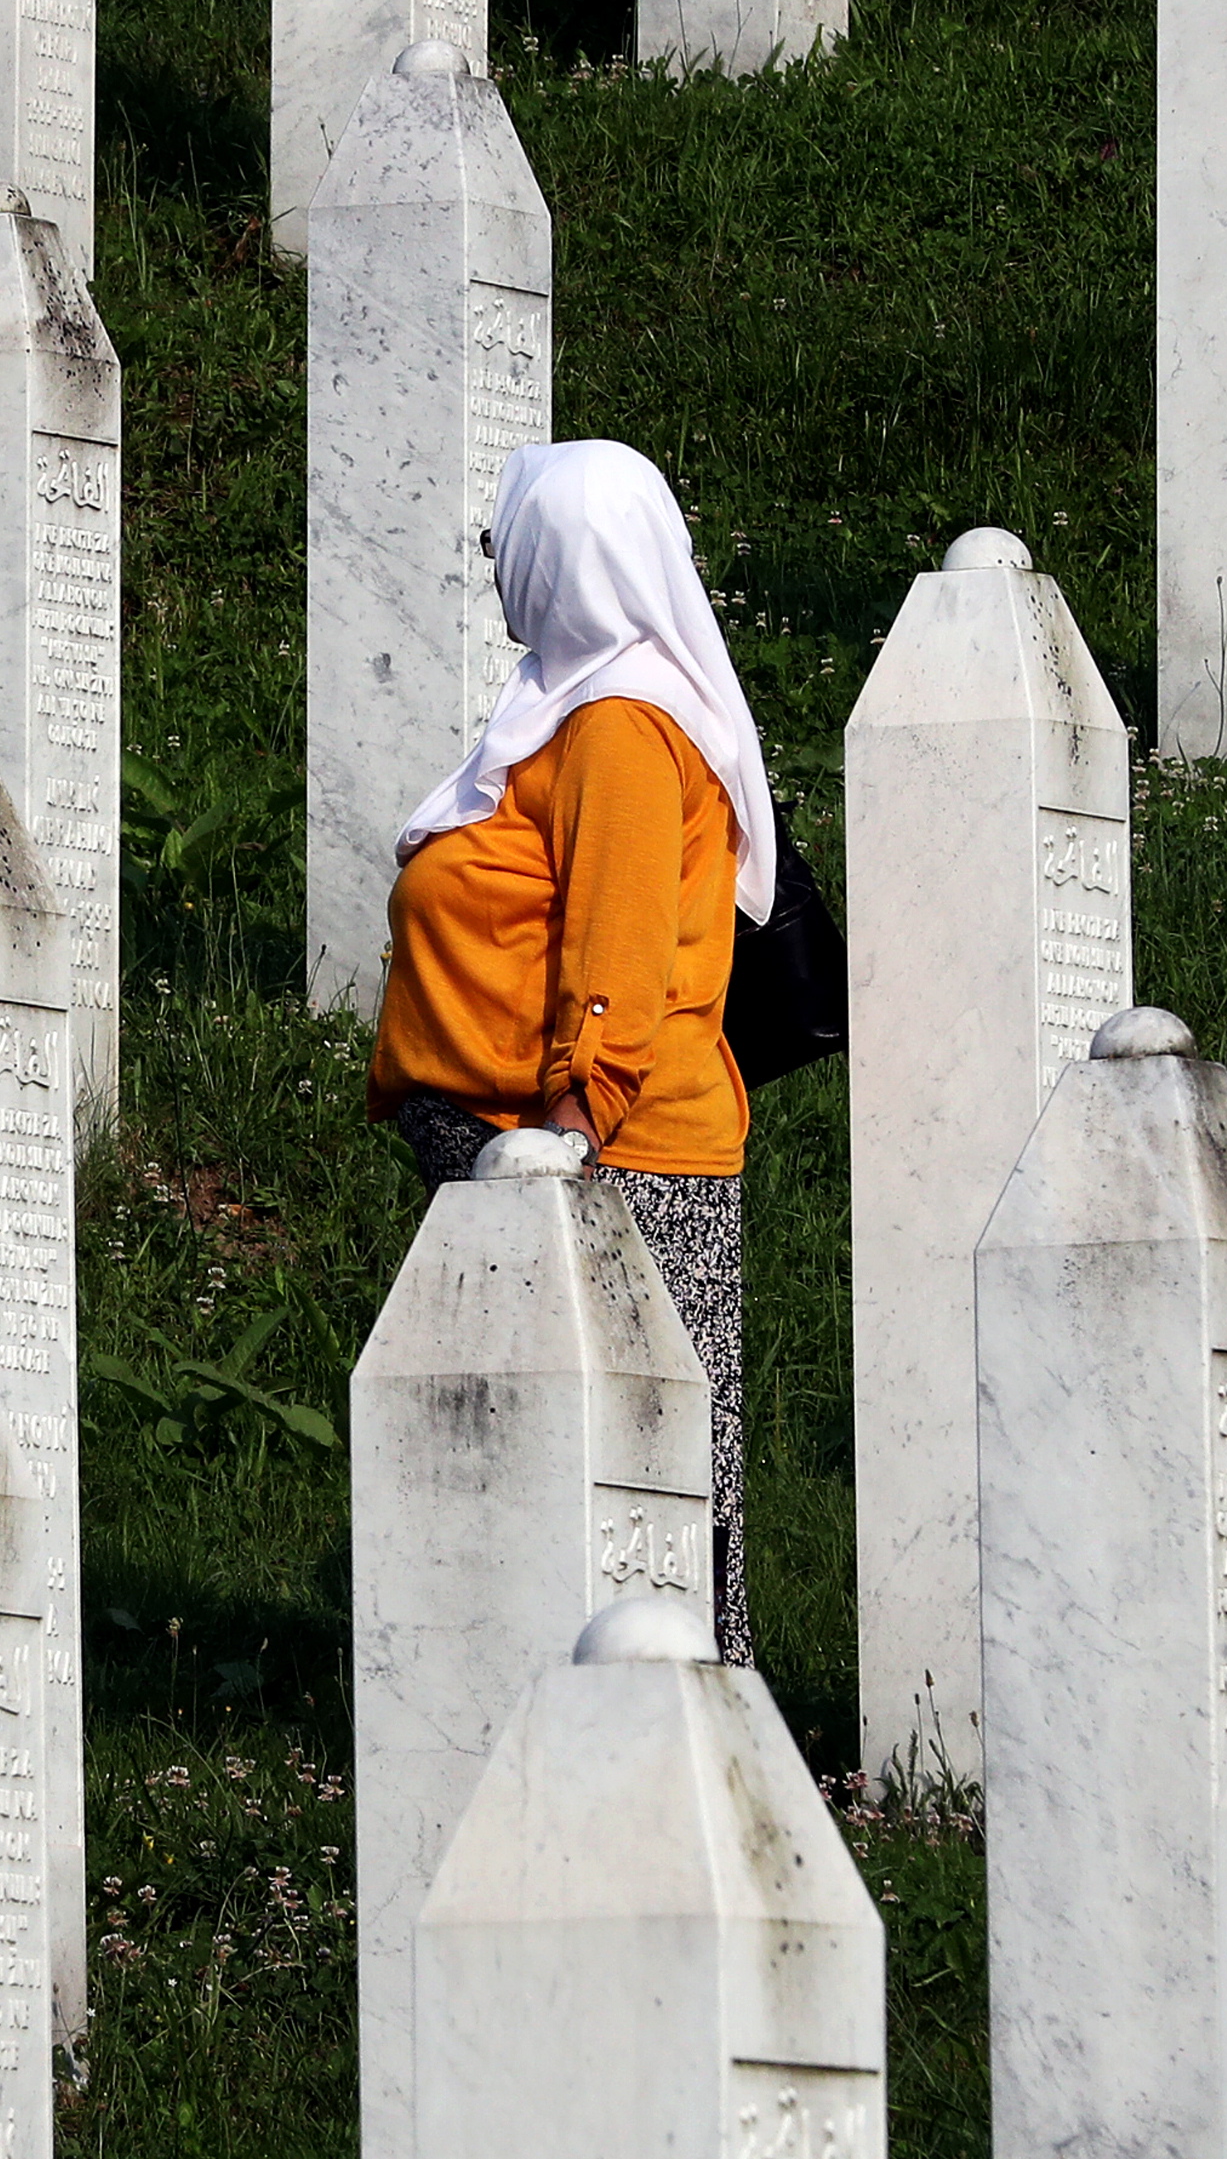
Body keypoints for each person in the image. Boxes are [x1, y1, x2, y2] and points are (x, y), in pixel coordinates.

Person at [367, 438, 782, 1661]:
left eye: (513, 537)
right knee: (597, 1483)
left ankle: (700, 1753)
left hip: (616, 1159)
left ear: (566, 556)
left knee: (655, 1497)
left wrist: (568, 1132)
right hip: (559, 1153)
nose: (497, 559)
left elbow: (619, 947)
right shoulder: (564, 707)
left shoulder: (615, 728)